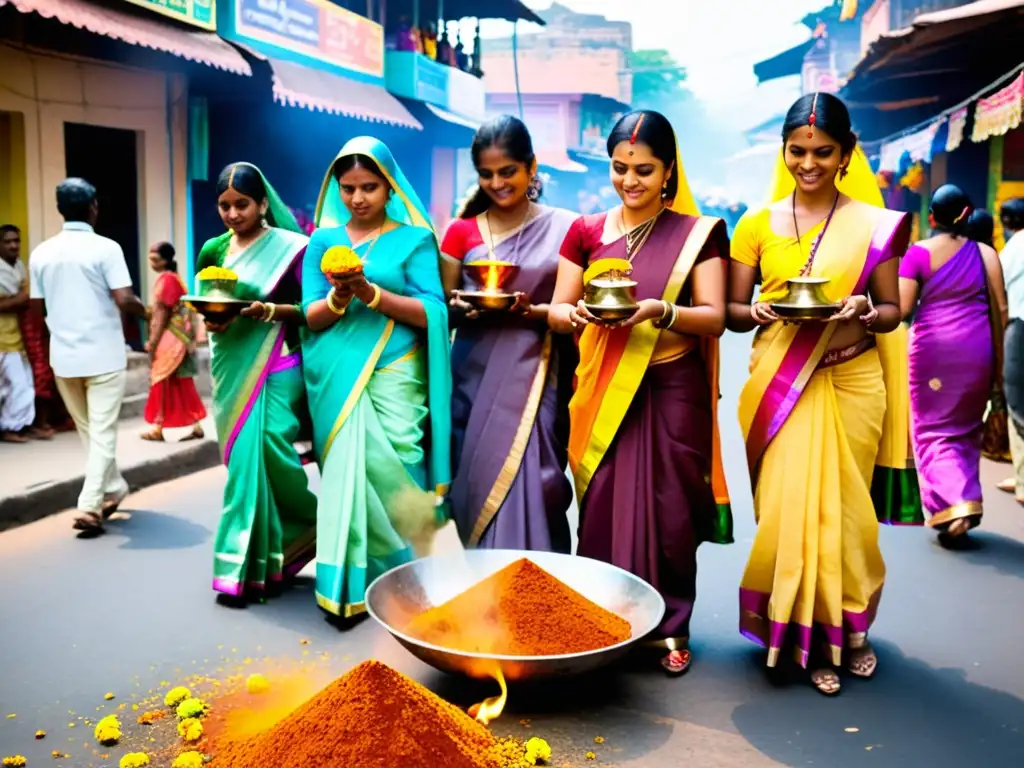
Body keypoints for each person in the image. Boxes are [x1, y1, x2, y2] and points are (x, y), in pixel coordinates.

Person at [727, 93, 914, 695]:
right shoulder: (757, 224)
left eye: (822, 152)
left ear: (846, 154)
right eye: (798, 151)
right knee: (787, 512)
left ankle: (844, 633)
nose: (808, 163)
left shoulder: (872, 224)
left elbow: (892, 310)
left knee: (846, 516)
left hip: (853, 377)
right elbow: (732, 310)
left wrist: (866, 306)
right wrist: (750, 308)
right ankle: (794, 632)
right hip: (781, 380)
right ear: (784, 151)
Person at [548, 110, 732, 677]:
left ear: (669, 170)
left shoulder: (697, 234)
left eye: (644, 170)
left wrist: (660, 311)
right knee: (601, 506)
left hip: (673, 386)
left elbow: (715, 317)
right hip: (605, 389)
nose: (630, 180)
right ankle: (601, 618)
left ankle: (670, 625)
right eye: (620, 168)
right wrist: (572, 314)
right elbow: (557, 310)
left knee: (672, 511)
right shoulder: (585, 231)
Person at [302, 137, 450, 619]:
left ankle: (414, 580)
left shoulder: (415, 239)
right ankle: (347, 587)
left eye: (369, 186)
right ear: (335, 189)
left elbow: (432, 310)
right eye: (348, 188)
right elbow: (311, 315)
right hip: (339, 375)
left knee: (401, 460)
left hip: (396, 369)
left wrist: (370, 292)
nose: (358, 197)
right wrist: (339, 300)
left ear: (390, 187)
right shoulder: (322, 242)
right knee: (349, 472)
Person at [442, 115, 577, 552]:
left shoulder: (568, 228)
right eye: (486, 174)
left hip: (539, 375)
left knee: (535, 483)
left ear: (531, 166)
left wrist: (535, 311)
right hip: (472, 376)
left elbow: (575, 306)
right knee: (477, 482)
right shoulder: (461, 233)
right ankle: (484, 596)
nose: (497, 183)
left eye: (508, 172)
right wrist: (461, 306)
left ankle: (535, 599)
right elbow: (441, 306)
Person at [200, 163, 317, 603]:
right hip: (230, 363)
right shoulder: (213, 249)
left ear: (263, 203)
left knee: (270, 453)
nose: (232, 213)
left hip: (277, 362)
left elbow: (312, 310)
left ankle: (302, 527)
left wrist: (266, 311)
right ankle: (254, 565)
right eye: (225, 205)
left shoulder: (293, 249)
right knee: (244, 465)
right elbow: (207, 299)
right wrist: (211, 323)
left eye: (242, 204)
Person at [28, 178, 148, 535]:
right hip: (103, 355)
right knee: (102, 432)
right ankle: (91, 504)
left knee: (89, 430)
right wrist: (152, 312)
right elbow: (125, 299)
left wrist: (60, 333)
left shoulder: (41, 253)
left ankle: (112, 488)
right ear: (94, 206)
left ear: (59, 208)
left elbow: (36, 311)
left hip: (64, 356)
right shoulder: (106, 248)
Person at [900, 185, 1006, 543]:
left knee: (932, 430)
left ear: (932, 216)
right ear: (968, 213)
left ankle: (954, 503)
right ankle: (962, 503)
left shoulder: (917, 254)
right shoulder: (985, 253)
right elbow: (1000, 312)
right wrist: (1000, 367)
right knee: (964, 428)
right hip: (976, 352)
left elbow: (901, 310)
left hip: (931, 353)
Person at [141, 242, 206, 442]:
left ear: (166, 260)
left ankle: (158, 428)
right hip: (182, 337)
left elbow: (161, 315)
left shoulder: (166, 280)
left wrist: (152, 342)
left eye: (156, 259)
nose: (152, 263)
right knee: (180, 380)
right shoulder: (174, 278)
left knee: (160, 379)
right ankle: (195, 425)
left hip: (170, 338)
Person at [997, 198, 1024, 500]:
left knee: (1017, 402)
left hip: (1020, 327)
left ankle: (1022, 481)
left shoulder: (1015, 246)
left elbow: (997, 286)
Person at [0, 223, 35, 443]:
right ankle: (9, 428)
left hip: (17, 335)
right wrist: (19, 300)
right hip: (2, 337)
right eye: (8, 241)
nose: (14, 245)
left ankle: (16, 425)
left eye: (16, 241)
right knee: (14, 385)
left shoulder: (19, 266)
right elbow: (22, 298)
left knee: (22, 385)